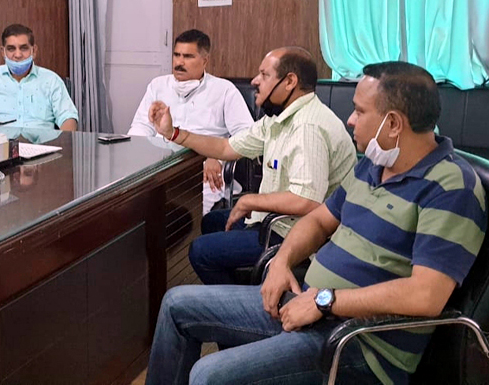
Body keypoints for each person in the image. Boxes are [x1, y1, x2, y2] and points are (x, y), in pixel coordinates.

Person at [145, 61, 486, 385]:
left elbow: (425, 295)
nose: (350, 120)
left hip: (357, 344)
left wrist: (325, 301)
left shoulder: (451, 188)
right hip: (308, 304)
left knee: (208, 375)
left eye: (360, 111)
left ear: (394, 123)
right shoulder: (373, 164)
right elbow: (319, 220)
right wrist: (282, 261)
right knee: (176, 305)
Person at [150, 47, 356, 284]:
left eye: (264, 75)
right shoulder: (279, 118)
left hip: (299, 234)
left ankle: (245, 301)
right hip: (280, 219)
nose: (255, 81)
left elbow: (306, 201)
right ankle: (243, 286)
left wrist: (251, 201)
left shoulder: (307, 128)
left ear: (290, 82)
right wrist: (173, 133)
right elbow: (226, 148)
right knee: (211, 221)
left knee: (200, 252)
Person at [128, 29, 253, 214]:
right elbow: (140, 127)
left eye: (188, 56)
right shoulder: (158, 86)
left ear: (205, 61)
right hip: (158, 169)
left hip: (204, 172)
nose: (179, 62)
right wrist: (132, 156)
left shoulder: (224, 90)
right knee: (132, 210)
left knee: (183, 216)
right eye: (177, 55)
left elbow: (247, 136)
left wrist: (217, 157)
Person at [0, 24, 79, 131]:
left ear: (34, 51)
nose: (18, 55)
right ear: (3, 52)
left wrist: (60, 143)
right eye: (11, 49)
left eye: (24, 48)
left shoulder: (51, 80)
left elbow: (69, 118)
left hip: (42, 144)